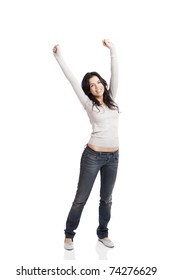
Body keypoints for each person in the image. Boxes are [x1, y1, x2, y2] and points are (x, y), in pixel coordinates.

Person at [53, 39, 119, 250]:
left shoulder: (112, 101)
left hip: (114, 157)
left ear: (103, 84)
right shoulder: (89, 104)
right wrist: (58, 56)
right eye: (92, 85)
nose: (97, 86)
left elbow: (115, 73)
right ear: (89, 90)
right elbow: (72, 80)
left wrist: (113, 50)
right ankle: (69, 235)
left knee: (106, 199)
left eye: (99, 82)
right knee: (81, 198)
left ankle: (103, 233)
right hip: (93, 156)